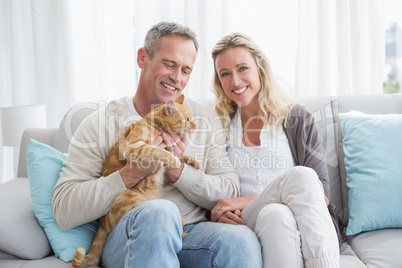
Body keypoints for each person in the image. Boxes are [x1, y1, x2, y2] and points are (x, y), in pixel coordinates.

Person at [52, 22, 262, 268]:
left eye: (186, 70)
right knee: (160, 212)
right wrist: (130, 173)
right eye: (169, 64)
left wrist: (177, 171)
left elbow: (229, 189)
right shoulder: (101, 123)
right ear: (143, 58)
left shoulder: (202, 117)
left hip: (192, 232)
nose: (177, 77)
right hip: (131, 232)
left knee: (241, 239)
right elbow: (64, 210)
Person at [210, 33, 340, 268]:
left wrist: (243, 200)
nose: (235, 81)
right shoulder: (219, 124)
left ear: (260, 69)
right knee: (297, 179)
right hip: (247, 221)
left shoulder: (298, 118)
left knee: (276, 212)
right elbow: (210, 188)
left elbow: (321, 196)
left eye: (242, 68)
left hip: (293, 221)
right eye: (225, 74)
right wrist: (217, 211)